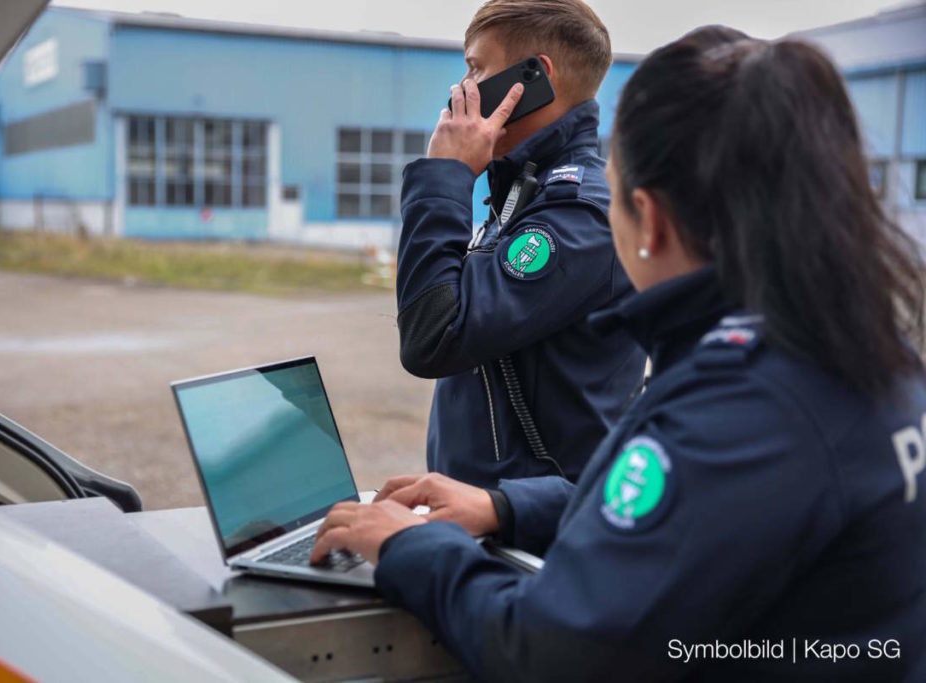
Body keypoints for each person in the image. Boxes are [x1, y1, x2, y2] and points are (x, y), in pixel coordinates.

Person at [311, 27, 926, 681]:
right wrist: (507, 506)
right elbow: (709, 511)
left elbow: (549, 649)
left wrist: (413, 546)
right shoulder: (862, 352)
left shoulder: (740, 406)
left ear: (649, 217)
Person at [395, 0, 646, 487]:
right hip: (483, 515)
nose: (461, 89)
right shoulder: (523, 193)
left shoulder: (578, 216)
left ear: (534, 77)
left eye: (475, 68)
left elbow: (431, 338)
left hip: (533, 535)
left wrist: (443, 178)